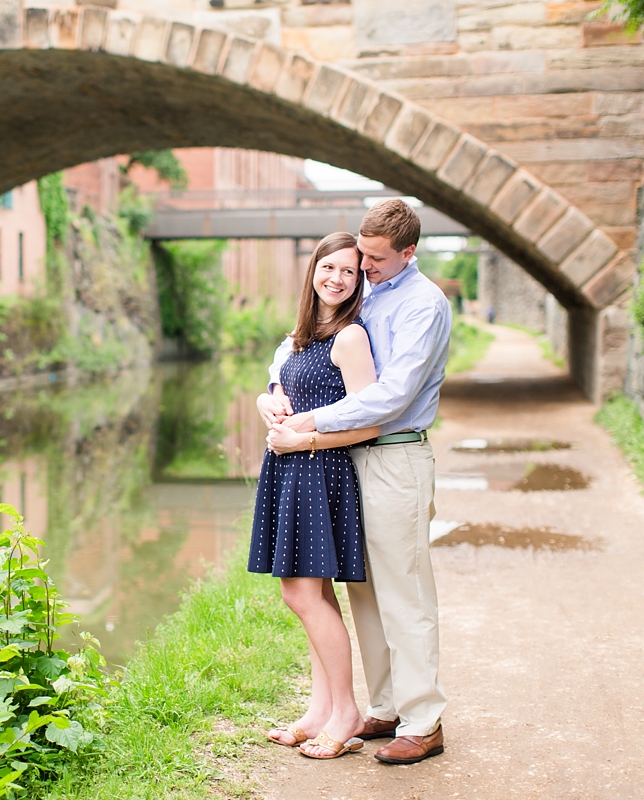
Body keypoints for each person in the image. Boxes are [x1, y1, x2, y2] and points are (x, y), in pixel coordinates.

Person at [259, 199, 452, 765]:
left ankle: (424, 721)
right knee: (363, 592)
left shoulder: (422, 302)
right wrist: (273, 388)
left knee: (405, 592)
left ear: (408, 253)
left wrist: (310, 424)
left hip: (394, 457)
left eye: (374, 258)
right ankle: (386, 707)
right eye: (359, 255)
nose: (362, 266)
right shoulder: (373, 290)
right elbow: (306, 339)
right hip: (351, 461)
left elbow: (391, 396)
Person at [249, 231, 381, 760]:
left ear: (358, 281)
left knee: (300, 595)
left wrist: (304, 438)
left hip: (318, 469)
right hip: (290, 469)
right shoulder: (304, 334)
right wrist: (268, 403)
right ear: (314, 270)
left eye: (349, 271)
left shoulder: (349, 337)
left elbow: (369, 422)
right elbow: (281, 389)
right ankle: (319, 710)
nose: (337, 278)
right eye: (329, 267)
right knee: (316, 597)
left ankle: (346, 711)